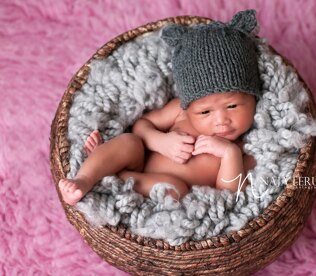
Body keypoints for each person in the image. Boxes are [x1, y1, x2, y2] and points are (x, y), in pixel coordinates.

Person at [59, 10, 262, 205]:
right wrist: (160, 141)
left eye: (232, 105)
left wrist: (229, 155)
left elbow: (229, 195)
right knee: (130, 142)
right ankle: (85, 179)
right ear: (188, 105)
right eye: (205, 112)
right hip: (138, 164)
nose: (221, 120)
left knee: (175, 190)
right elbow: (141, 125)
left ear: (253, 97)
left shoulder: (245, 149)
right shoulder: (181, 112)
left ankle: (109, 171)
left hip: (164, 192)